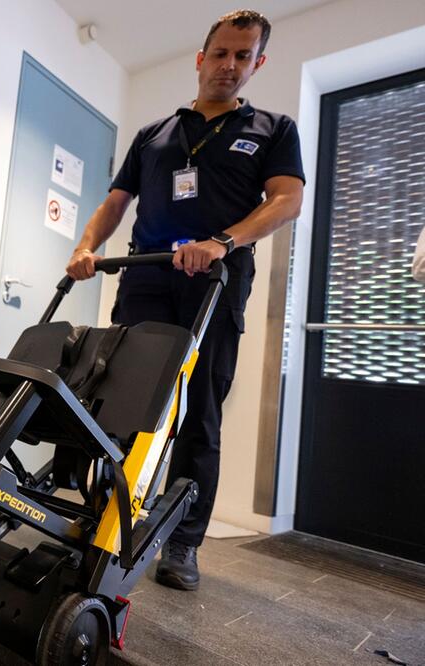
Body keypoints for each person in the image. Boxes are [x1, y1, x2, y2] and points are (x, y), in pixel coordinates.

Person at [66, 10, 304, 591]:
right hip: (147, 275)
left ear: (257, 64)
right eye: (221, 53)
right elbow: (116, 201)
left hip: (214, 282)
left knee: (199, 413)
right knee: (122, 402)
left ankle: (184, 542)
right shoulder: (154, 134)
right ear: (201, 57)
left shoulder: (274, 129)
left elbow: (287, 200)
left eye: (242, 57)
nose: (229, 65)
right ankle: (105, 515)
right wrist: (86, 247)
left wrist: (222, 242)